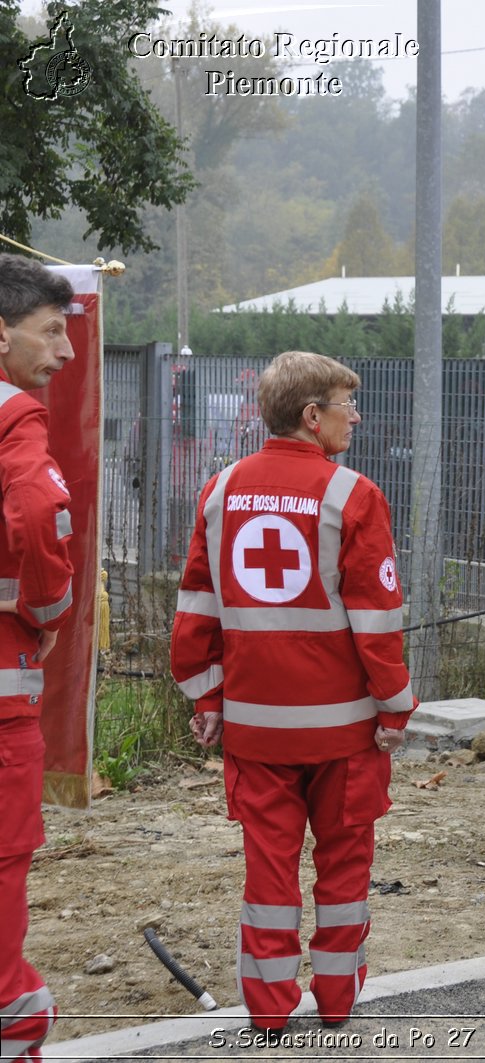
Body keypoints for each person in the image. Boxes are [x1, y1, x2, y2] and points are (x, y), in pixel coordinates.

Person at [170, 350, 416, 1034]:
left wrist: (206, 696)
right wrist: (395, 704)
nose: (355, 416)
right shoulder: (352, 495)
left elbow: (196, 607)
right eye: (345, 404)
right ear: (313, 416)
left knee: (268, 872)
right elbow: (377, 620)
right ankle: (337, 999)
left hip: (255, 730)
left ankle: (269, 1010)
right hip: (345, 734)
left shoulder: (219, 492)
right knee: (344, 866)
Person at [0, 255, 77, 1061]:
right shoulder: (14, 414)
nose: (64, 352)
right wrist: (45, 612)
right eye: (51, 332)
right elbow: (45, 513)